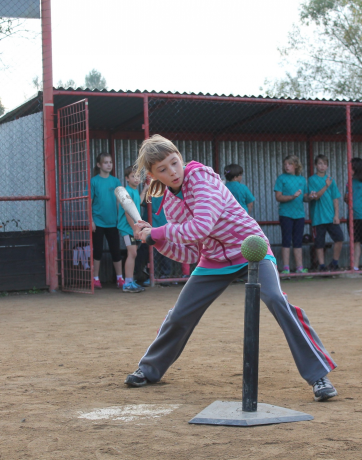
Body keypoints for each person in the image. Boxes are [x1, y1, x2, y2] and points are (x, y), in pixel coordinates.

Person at [124, 135, 338, 402]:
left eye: (174, 162)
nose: (173, 172)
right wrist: (155, 241)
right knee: (179, 314)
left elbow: (201, 226)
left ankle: (318, 375)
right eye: (163, 170)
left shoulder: (200, 178)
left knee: (275, 299)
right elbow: (189, 251)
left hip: (251, 248)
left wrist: (157, 232)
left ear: (180, 157)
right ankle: (149, 369)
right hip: (213, 259)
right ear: (153, 176)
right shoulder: (170, 203)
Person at [90, 153, 124, 290]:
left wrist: (120, 220)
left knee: (115, 250)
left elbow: (119, 202)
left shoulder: (115, 182)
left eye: (110, 162)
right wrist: (91, 220)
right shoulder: (94, 181)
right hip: (98, 222)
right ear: (99, 165)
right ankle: (95, 278)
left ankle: (120, 278)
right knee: (97, 251)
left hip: (113, 223)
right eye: (105, 162)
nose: (109, 165)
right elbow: (88, 202)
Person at [307, 154, 344, 271]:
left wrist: (336, 215)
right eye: (319, 163)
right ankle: (322, 266)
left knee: (339, 238)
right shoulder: (312, 180)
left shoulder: (331, 180)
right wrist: (325, 186)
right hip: (318, 217)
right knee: (319, 243)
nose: (322, 166)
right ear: (315, 165)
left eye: (324, 164)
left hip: (331, 217)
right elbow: (316, 196)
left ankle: (334, 263)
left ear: (327, 166)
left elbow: (335, 198)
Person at [274, 155, 309, 275]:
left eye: (289, 164)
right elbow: (278, 197)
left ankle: (300, 267)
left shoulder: (302, 179)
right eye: (285, 164)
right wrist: (292, 197)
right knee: (286, 240)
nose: (287, 166)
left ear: (296, 165)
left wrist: (311, 196)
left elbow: (305, 197)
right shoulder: (281, 178)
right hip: (286, 214)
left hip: (299, 214)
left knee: (298, 241)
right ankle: (286, 268)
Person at [117, 166, 146, 293]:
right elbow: (128, 212)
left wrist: (145, 188)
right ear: (127, 178)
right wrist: (135, 229)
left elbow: (138, 202)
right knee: (132, 253)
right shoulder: (127, 192)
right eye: (133, 176)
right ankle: (128, 283)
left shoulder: (133, 191)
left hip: (132, 229)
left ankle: (130, 281)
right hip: (127, 229)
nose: (136, 178)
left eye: (138, 176)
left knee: (133, 254)